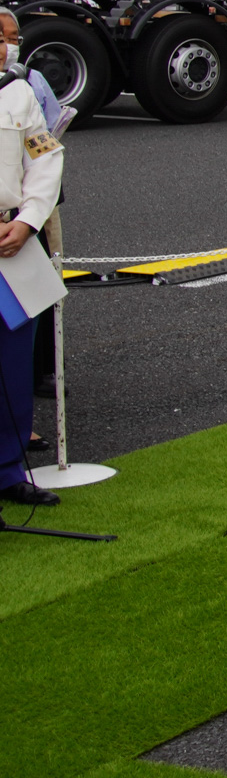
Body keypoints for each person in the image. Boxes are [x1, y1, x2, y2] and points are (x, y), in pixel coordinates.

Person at [0, 41, 63, 505]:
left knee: (14, 364)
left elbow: (44, 157)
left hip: (13, 242)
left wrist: (28, 220)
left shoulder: (18, 94)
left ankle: (8, 469)